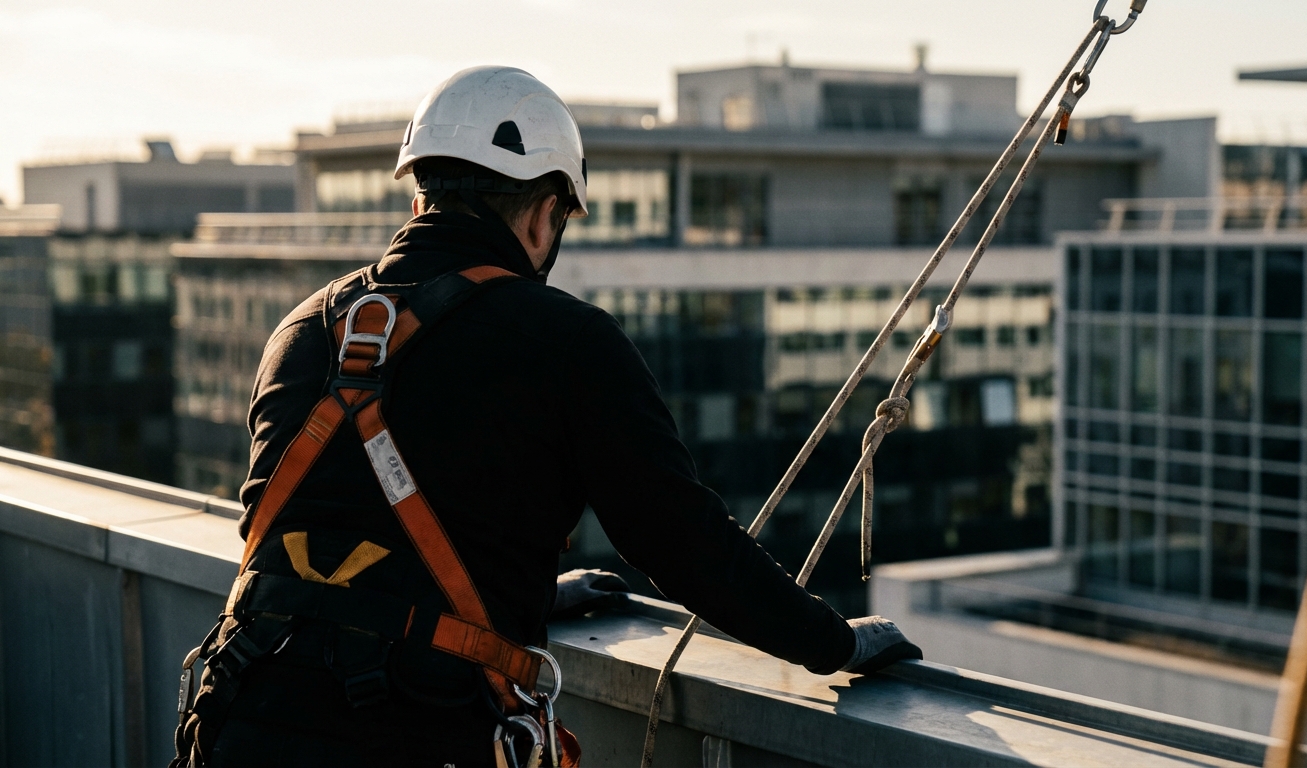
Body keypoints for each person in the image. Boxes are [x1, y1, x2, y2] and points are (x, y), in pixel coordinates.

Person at [171, 65, 921, 768]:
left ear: (418, 201)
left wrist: (521, 596)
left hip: (244, 711)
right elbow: (680, 539)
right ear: (542, 215)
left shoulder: (306, 330)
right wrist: (833, 645)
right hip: (409, 730)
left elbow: (319, 531)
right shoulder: (567, 340)